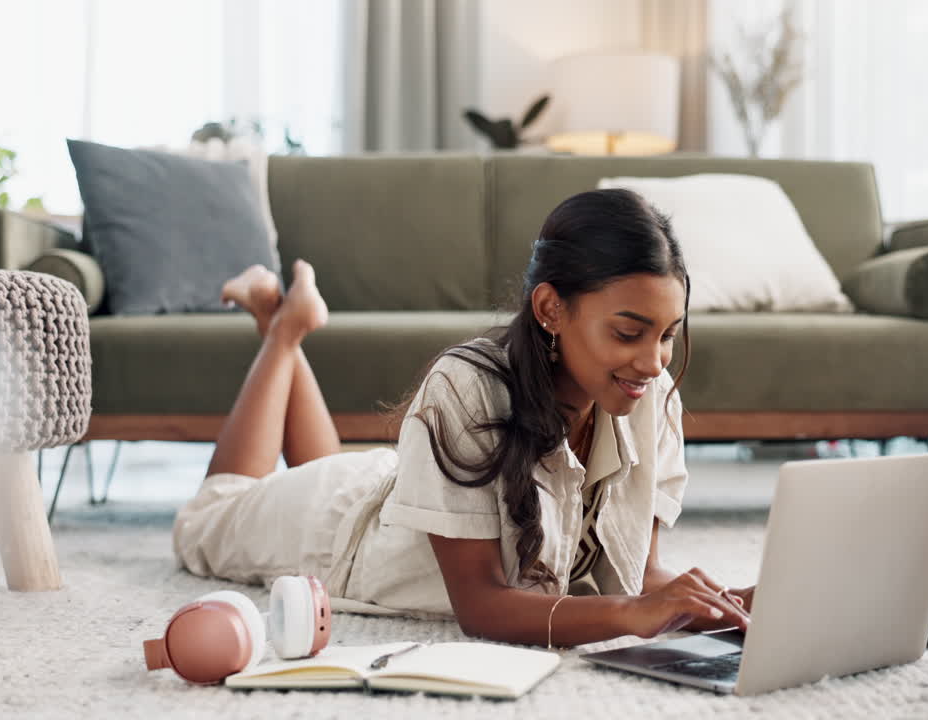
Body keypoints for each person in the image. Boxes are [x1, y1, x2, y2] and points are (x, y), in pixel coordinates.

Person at [173, 189, 753, 648]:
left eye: (668, 335)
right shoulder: (464, 388)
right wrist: (628, 616)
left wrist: (733, 604)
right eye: (629, 332)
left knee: (318, 465)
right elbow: (481, 606)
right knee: (209, 514)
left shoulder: (648, 397)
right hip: (341, 536)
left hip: (413, 491)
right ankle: (284, 329)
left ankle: (282, 321)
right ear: (552, 308)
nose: (653, 363)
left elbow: (637, 579)